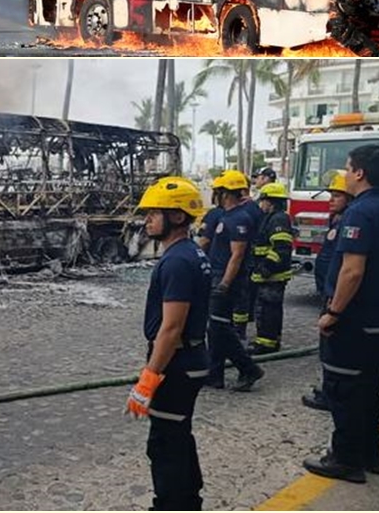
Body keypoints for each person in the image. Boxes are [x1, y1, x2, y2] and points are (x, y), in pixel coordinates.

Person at [125, 177, 212, 512]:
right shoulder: (192, 253)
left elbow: (171, 328)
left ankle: (172, 505)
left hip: (177, 363)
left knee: (164, 443)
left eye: (153, 213)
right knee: (178, 434)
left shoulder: (176, 261)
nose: (147, 220)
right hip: (191, 357)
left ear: (177, 216)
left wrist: (148, 379)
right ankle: (189, 501)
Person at [303, 143, 379, 483]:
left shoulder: (361, 212)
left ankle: (346, 459)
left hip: (354, 319)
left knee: (344, 389)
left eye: (348, 169)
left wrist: (333, 313)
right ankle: (370, 454)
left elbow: (352, 271)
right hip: (377, 319)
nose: (346, 175)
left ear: (360, 173)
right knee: (368, 388)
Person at [203, 169, 262, 392]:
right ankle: (215, 374)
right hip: (218, 275)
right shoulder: (226, 216)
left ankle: (248, 368)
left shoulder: (239, 218)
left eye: (217, 191)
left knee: (220, 327)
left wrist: (225, 283)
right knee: (216, 327)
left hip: (227, 279)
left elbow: (237, 255)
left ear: (226, 193)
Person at [304, 170, 351, 411]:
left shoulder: (347, 223)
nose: (331, 199)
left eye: (337, 195)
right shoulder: (336, 220)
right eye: (331, 194)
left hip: (334, 296)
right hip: (327, 290)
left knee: (332, 348)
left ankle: (330, 395)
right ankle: (329, 389)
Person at [247, 182, 293, 354]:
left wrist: (266, 267)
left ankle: (266, 343)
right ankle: (270, 340)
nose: (261, 204)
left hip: (272, 275)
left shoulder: (278, 219)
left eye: (263, 201)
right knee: (268, 309)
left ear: (271, 202)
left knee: (267, 310)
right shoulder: (272, 217)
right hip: (270, 274)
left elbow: (281, 248)